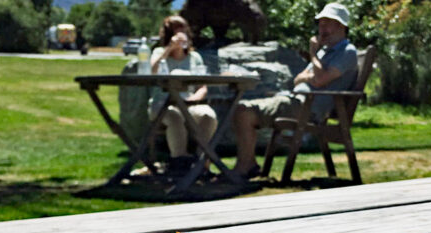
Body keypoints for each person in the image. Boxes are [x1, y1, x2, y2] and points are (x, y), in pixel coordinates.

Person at [231, 2, 359, 178]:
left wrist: (313, 55)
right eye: (321, 24)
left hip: (308, 108)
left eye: (327, 24)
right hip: (297, 101)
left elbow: (320, 79)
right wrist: (312, 74)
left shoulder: (347, 51)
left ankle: (245, 167)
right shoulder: (325, 53)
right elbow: (298, 78)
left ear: (341, 26)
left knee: (243, 111)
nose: (322, 29)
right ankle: (248, 164)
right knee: (242, 108)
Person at [148, 15, 217, 172]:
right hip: (162, 104)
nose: (180, 33)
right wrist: (169, 49)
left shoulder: (195, 57)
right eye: (175, 29)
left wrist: (193, 100)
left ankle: (202, 161)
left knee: (208, 116)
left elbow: (202, 87)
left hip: (189, 103)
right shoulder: (159, 52)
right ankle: (179, 161)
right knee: (175, 117)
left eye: (182, 28)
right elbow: (152, 71)